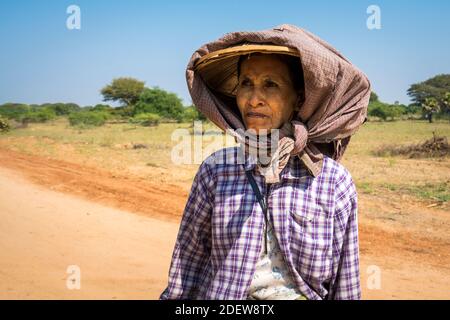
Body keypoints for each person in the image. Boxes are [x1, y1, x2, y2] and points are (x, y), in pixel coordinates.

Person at [160, 24, 371, 300]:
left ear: (299, 99)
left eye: (270, 85)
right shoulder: (215, 172)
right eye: (246, 83)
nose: (254, 99)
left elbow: (345, 283)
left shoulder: (333, 182)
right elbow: (187, 267)